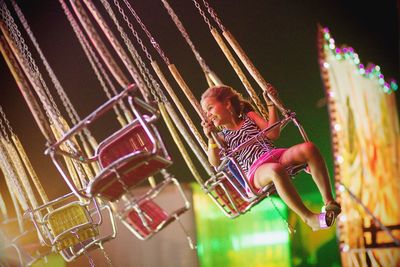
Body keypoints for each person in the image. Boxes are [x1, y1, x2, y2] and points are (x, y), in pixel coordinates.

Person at [200, 85, 341, 231]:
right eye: (205, 112)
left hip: (275, 155)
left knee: (309, 148)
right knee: (275, 170)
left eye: (210, 108)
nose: (208, 115)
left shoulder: (249, 117)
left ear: (227, 104)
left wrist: (271, 104)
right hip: (255, 172)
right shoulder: (221, 137)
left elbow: (272, 134)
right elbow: (214, 162)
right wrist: (210, 138)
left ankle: (329, 201)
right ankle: (308, 218)